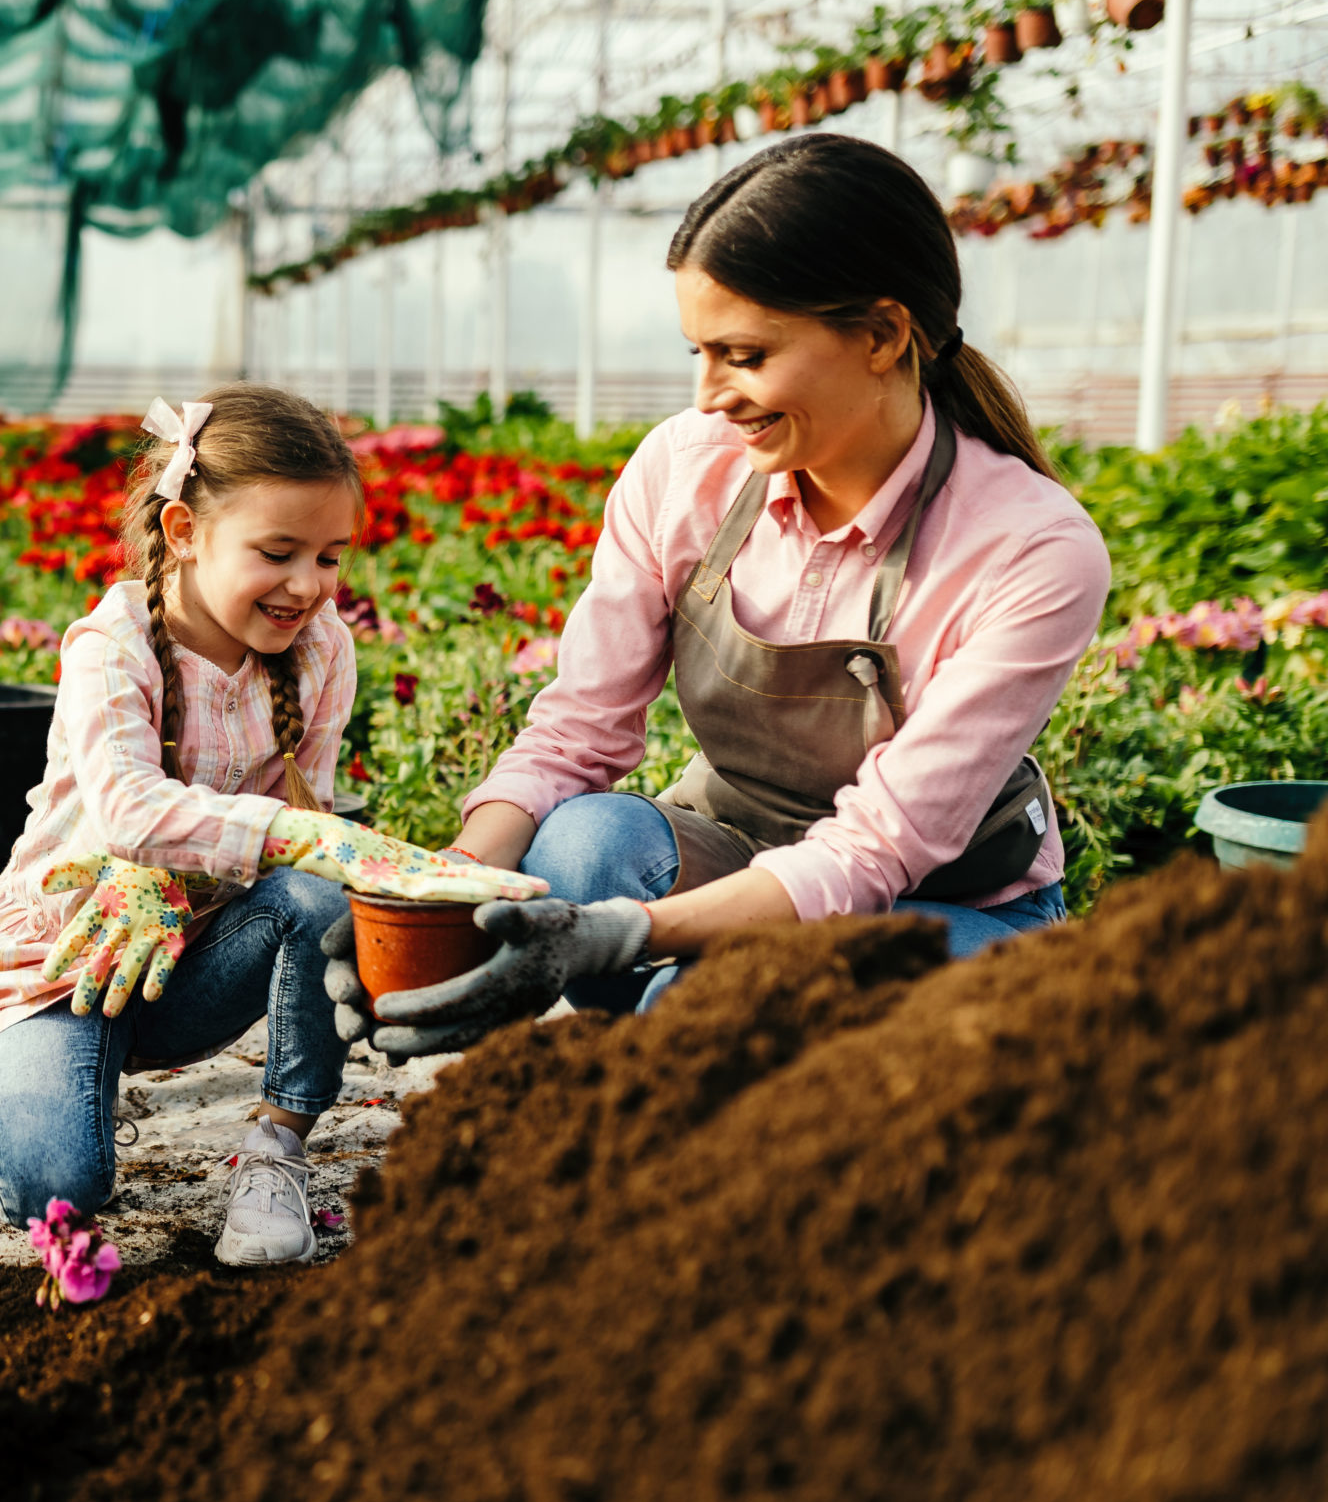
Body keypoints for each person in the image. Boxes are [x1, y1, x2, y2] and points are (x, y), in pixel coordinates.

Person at [326, 134, 1113, 1059]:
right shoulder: (686, 468)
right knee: (580, 850)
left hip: (941, 906)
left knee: (714, 1000)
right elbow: (578, 731)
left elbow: (875, 850)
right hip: (736, 843)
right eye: (699, 351)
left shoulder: (1030, 545)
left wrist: (627, 935)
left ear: (882, 336)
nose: (710, 396)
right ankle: (680, 1063)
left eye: (743, 355)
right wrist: (449, 890)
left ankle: (698, 1071)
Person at [0, 383, 538, 1264]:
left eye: (331, 556)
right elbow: (131, 810)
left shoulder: (322, 648)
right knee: (56, 1188)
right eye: (279, 551)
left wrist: (342, 868)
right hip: (57, 964)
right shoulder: (115, 647)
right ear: (183, 531)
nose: (309, 586)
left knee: (320, 892)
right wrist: (298, 838)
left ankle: (277, 1147)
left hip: (196, 963)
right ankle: (43, 1064)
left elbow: (307, 837)